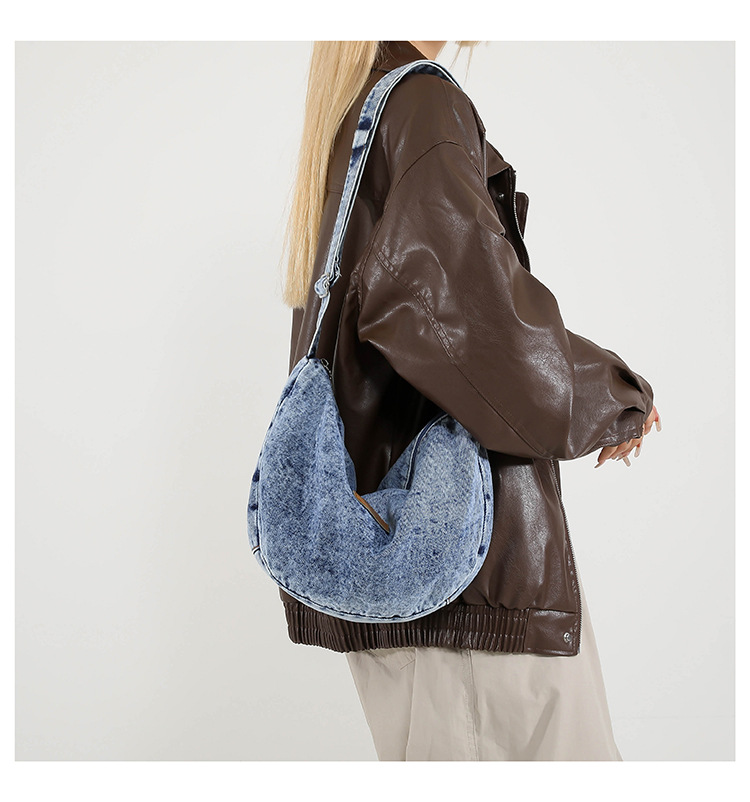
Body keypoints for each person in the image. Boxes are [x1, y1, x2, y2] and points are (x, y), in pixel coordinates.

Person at [276, 40, 661, 761]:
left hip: (425, 588)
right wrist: (612, 396)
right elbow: (471, 327)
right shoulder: (418, 103)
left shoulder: (360, 111)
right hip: (473, 592)